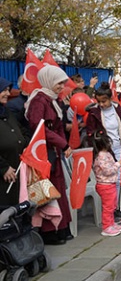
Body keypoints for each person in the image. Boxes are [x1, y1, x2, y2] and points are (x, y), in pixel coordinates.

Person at [24, 65, 74, 245]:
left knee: (57, 191)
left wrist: (63, 146)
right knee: (48, 193)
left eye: (63, 83)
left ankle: (61, 228)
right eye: (59, 83)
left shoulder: (52, 100)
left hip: (54, 152)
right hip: (44, 154)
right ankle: (49, 231)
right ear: (49, 81)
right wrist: (62, 143)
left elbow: (57, 126)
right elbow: (39, 128)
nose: (62, 87)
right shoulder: (39, 101)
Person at [91, 131, 121, 237]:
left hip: (110, 183)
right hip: (105, 185)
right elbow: (107, 171)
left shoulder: (106, 154)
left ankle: (111, 223)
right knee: (108, 207)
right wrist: (118, 164)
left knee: (112, 205)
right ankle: (106, 227)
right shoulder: (101, 156)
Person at [0, 77, 29, 205]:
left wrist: (25, 143)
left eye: (8, 90)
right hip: (4, 175)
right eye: (4, 90)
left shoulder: (6, 111)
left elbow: (21, 130)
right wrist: (3, 167)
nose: (8, 94)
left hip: (16, 170)